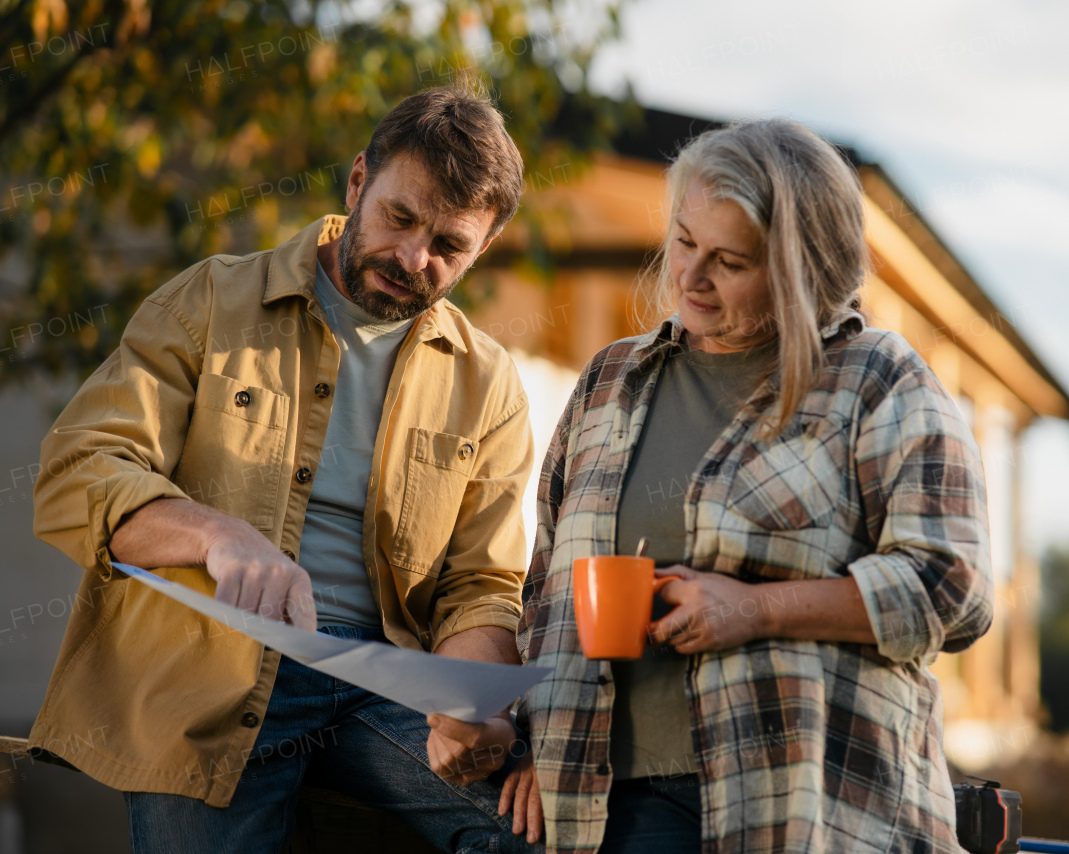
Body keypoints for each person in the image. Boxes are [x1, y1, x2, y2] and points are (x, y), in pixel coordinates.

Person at [30, 83, 542, 853]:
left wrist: (474, 705)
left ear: (484, 248)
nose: (414, 258)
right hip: (210, 677)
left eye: (448, 247)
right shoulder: (211, 298)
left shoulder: (489, 382)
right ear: (359, 181)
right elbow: (81, 470)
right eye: (401, 218)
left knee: (540, 826)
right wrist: (215, 535)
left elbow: (481, 585)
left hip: (386, 688)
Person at [502, 120, 995, 852]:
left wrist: (756, 610)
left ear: (801, 270)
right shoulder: (612, 381)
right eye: (683, 240)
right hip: (611, 809)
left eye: (729, 261)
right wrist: (530, 744)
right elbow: (545, 590)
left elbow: (953, 590)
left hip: (809, 808)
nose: (691, 277)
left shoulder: (876, 381)